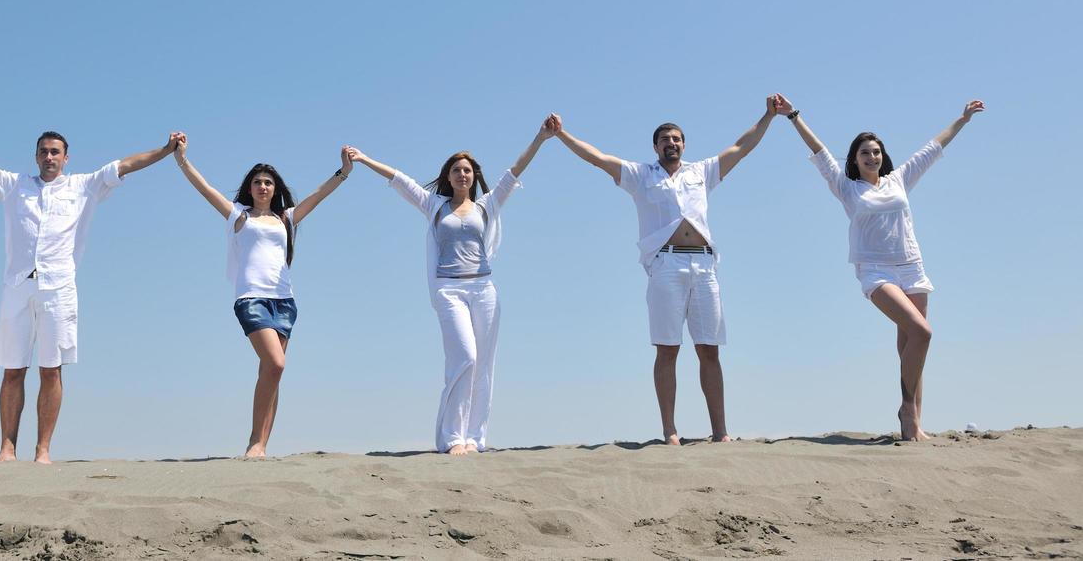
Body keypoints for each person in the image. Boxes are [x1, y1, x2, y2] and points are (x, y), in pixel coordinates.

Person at [0, 129, 180, 464]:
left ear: (66, 157)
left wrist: (165, 150)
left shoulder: (84, 186)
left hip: (59, 288)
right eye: (43, 151)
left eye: (56, 152)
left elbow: (125, 165)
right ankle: (7, 449)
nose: (49, 157)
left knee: (51, 370)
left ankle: (43, 450)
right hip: (17, 287)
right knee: (12, 370)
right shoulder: (14, 185)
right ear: (36, 156)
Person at [549, 100, 780, 445]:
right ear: (655, 147)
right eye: (664, 140)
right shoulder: (641, 176)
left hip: (703, 265)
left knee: (709, 349)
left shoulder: (701, 172)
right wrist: (562, 134)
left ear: (684, 144)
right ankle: (670, 430)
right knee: (668, 349)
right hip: (666, 265)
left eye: (676, 139)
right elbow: (597, 157)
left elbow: (741, 148)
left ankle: (720, 432)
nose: (671, 143)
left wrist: (769, 116)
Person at [773, 96, 984, 441]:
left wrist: (962, 120)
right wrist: (793, 116)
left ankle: (914, 424)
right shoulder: (846, 187)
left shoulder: (899, 179)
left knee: (910, 346)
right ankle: (906, 408)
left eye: (876, 152)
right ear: (854, 160)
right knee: (923, 333)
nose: (872, 157)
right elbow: (820, 151)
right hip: (876, 271)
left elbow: (932, 148)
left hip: (912, 267)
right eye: (864, 153)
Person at [346, 117, 555, 455]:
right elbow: (400, 180)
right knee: (465, 357)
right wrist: (364, 159)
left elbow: (515, 171)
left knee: (484, 363)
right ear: (448, 176)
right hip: (449, 290)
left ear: (474, 177)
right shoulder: (434, 205)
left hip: (484, 289)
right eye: (457, 170)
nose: (462, 175)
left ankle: (474, 438)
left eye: (468, 171)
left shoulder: (487, 205)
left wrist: (541, 138)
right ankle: (451, 437)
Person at [171, 135, 354, 458]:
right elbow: (206, 189)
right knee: (276, 364)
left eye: (268, 182)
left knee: (271, 372)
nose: (263, 187)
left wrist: (343, 171)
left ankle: (261, 445)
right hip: (251, 298)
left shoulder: (286, 219)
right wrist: (182, 159)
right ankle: (255, 441)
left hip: (284, 301)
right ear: (249, 187)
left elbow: (318, 195)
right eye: (257, 182)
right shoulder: (238, 215)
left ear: (275, 188)